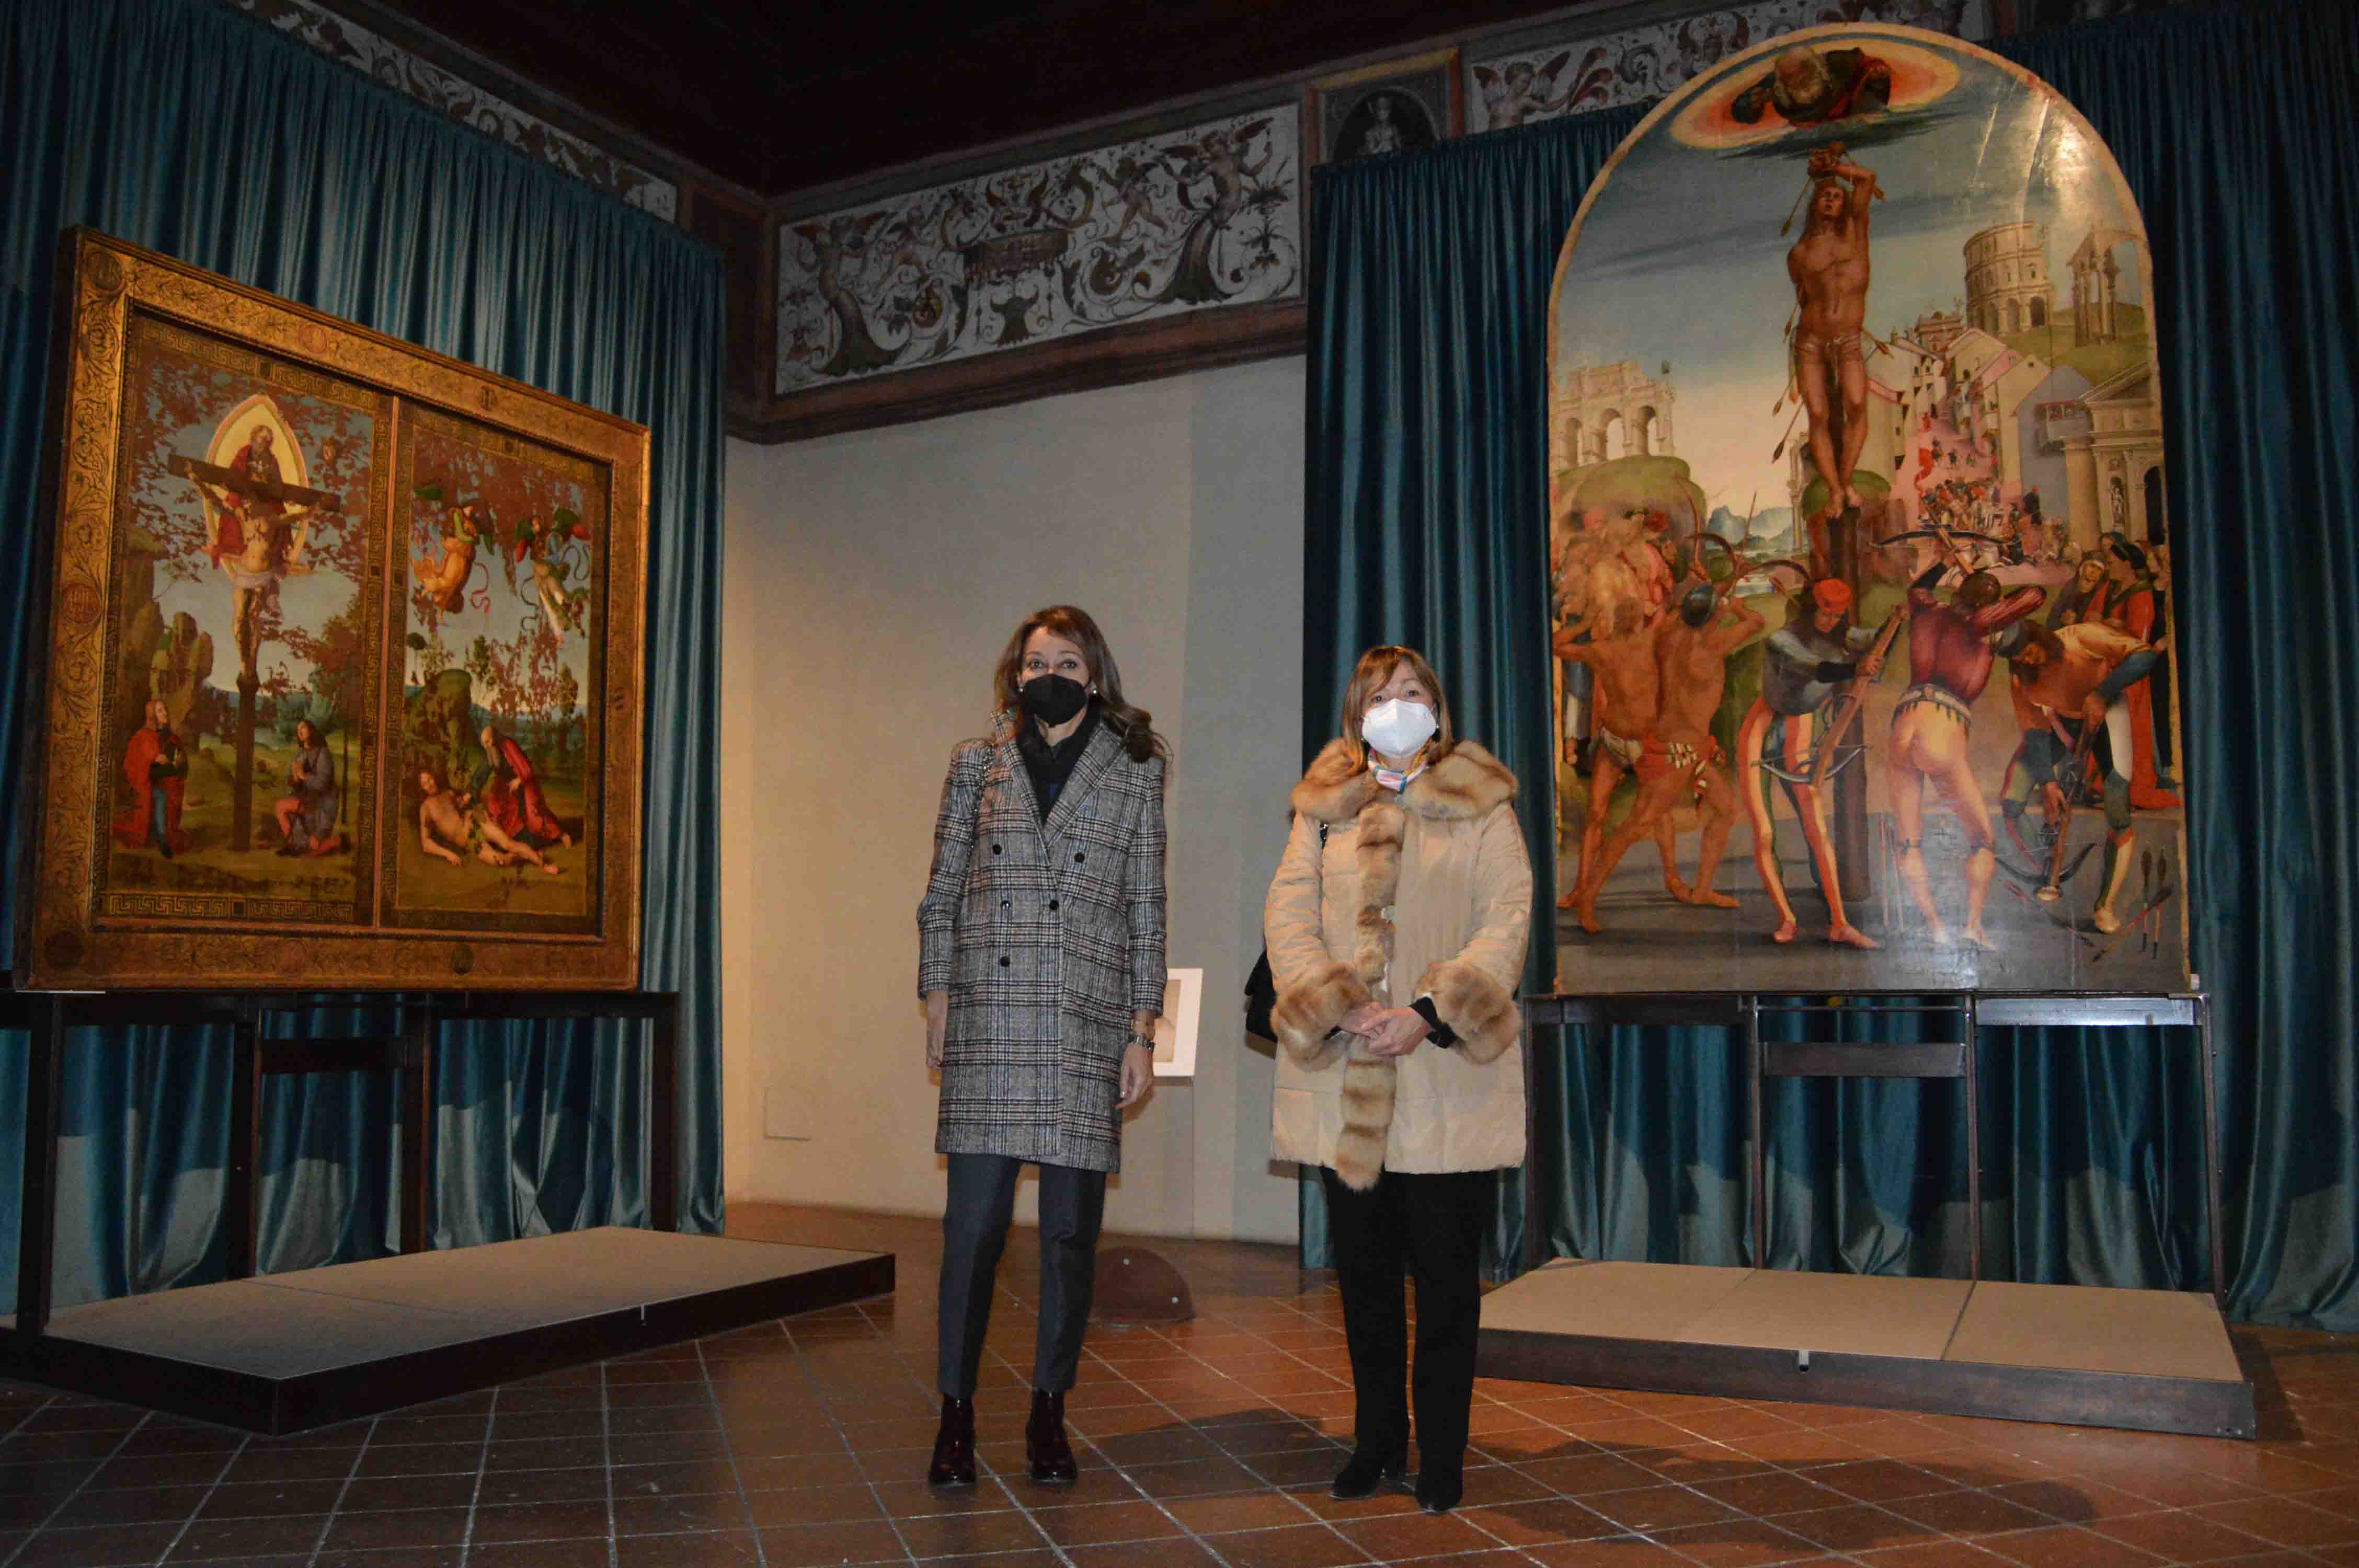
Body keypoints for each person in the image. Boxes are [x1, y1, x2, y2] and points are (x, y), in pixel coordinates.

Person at [1265, 645, 1531, 1516]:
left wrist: (1427, 1009)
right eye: (1379, 695)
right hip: (1350, 1080)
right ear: (1356, 715)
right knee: (1366, 1282)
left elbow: (1507, 918)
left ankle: (1443, 1454)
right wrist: (1341, 1006)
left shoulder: (1484, 804)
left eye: (1412, 692)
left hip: (1445, 1078)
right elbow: (1288, 917)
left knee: (1448, 1287)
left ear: (1437, 709)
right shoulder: (1321, 812)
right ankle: (1375, 1441)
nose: (1397, 705)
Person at [916, 606, 1168, 1491]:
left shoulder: (1136, 769)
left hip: (1083, 1021)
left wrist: (1142, 1029)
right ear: (1014, 674)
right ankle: (955, 1415)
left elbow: (1146, 907)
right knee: (972, 1233)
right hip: (989, 1016)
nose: (1047, 675)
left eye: (1066, 662)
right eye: (1034, 663)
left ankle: (1048, 1413)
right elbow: (943, 888)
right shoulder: (974, 764)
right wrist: (937, 996)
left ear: (1094, 675)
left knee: (1066, 1238)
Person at [1568, 584, 1761, 933]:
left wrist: (1716, 598)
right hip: (1675, 754)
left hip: (1693, 748)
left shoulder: (1671, 636)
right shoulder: (1711, 645)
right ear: (1713, 617)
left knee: (1726, 809)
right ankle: (1588, 896)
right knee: (1636, 826)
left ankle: (1702, 890)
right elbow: (1756, 622)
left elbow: (1685, 614)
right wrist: (1736, 607)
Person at [1889, 561, 2044, 946]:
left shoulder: (1927, 610)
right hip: (1942, 726)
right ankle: (1972, 927)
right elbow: (2035, 596)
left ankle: (1935, 928)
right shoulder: (1980, 623)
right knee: (1982, 840)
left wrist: (1943, 562)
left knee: (1910, 841)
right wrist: (1999, 602)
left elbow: (1918, 589)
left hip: (1903, 724)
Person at [1735, 579, 1888, 947]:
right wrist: (1856, 668)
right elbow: (1815, 668)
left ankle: (1839, 923)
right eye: (1825, 614)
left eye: (1837, 616)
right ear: (1809, 608)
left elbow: (1881, 637)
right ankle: (1787, 918)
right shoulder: (1782, 641)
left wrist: (1898, 619)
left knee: (1816, 826)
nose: (1831, 622)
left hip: (1799, 727)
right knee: (1765, 833)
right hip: (1761, 728)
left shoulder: (1842, 635)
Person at [1997, 620, 2162, 932]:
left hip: (2108, 716)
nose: (2027, 662)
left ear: (2041, 638)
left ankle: (2105, 907)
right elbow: (2034, 731)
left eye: (2029, 652)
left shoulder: (2081, 638)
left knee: (2117, 809)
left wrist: (2102, 693)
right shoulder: (2021, 676)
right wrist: (2048, 782)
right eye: (2019, 659)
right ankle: (2048, 869)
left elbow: (2145, 655)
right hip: (2063, 724)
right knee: (2012, 799)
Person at [1553, 601, 1689, 913]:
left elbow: (1687, 610)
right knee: (1596, 813)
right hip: (1614, 741)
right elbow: (1556, 646)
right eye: (1627, 613)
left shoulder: (1650, 639)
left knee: (1660, 813)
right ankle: (1580, 889)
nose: (1630, 618)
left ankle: (1672, 879)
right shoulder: (1602, 650)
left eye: (1633, 613)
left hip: (1647, 742)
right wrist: (1584, 622)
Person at [1788, 146, 1880, 572]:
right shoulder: (1799, 253)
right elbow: (1802, 297)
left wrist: (1833, 168)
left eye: (1837, 195)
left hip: (1848, 340)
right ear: (1814, 203)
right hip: (1810, 342)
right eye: (1825, 195)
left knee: (1857, 404)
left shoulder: (1856, 232)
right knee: (1820, 415)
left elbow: (1867, 179)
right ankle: (1836, 490)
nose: (1831, 199)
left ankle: (1845, 481)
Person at [415, 766, 561, 874]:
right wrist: (448, 854)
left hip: (477, 823)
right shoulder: (425, 808)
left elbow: (463, 805)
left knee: (508, 844)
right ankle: (531, 855)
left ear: (434, 778)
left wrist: (477, 810)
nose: (430, 784)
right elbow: (426, 844)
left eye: (430, 779)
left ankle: (543, 864)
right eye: (425, 783)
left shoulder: (448, 794)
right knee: (500, 860)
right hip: (470, 841)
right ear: (422, 788)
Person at [112, 698, 190, 856]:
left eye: (165, 709)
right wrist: (153, 759)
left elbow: (182, 766)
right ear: (152, 715)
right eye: (160, 711)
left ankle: (163, 834)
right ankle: (162, 839)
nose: (165, 713)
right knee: (161, 795)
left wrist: (178, 763)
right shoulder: (142, 736)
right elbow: (132, 765)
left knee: (165, 793)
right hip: (144, 783)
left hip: (167, 781)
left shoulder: (172, 738)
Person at [273, 718, 342, 857]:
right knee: (281, 806)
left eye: (303, 728)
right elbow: (291, 780)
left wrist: (304, 777)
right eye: (298, 729)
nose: (299, 732)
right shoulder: (299, 753)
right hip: (306, 801)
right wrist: (294, 779)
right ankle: (292, 845)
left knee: (314, 849)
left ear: (312, 731)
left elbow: (323, 784)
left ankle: (338, 841)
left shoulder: (323, 753)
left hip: (321, 805)